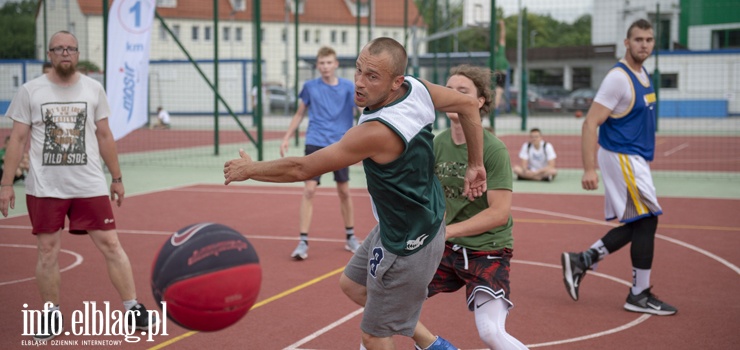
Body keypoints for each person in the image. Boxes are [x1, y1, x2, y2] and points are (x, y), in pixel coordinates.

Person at [224, 37, 487, 349]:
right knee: (352, 285)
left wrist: (251, 170)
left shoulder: (376, 132)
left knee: (374, 335)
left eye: (372, 77)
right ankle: (433, 344)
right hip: (409, 220)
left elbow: (302, 168)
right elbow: (468, 105)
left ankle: (423, 340)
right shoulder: (418, 90)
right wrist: (475, 164)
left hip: (407, 241)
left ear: (395, 82)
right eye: (359, 71)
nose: (360, 83)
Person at [0, 31, 155, 341]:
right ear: (50, 53)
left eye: (70, 48)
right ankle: (50, 314)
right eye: (59, 48)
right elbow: (17, 139)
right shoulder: (31, 91)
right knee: (47, 251)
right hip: (45, 188)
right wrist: (6, 184)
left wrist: (118, 178)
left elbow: (105, 136)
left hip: (89, 185)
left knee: (111, 244)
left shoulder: (93, 88)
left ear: (78, 53)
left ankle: (132, 307)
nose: (65, 53)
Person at [561, 19, 677, 316]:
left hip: (634, 157)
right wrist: (589, 169)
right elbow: (590, 123)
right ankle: (639, 294)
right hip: (621, 156)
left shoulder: (643, 72)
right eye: (638, 39)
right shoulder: (618, 78)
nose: (644, 44)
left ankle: (583, 260)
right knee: (648, 220)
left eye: (649, 39)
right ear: (627, 43)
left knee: (640, 222)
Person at [411, 65, 527, 350]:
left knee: (490, 332)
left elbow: (499, 214)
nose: (452, 95)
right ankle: (433, 345)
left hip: (487, 249)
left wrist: (447, 231)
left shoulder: (493, 149)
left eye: (462, 91)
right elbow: (431, 200)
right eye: (448, 89)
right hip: (445, 248)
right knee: (389, 299)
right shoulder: (436, 144)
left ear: (479, 102)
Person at [279, 46, 358, 260]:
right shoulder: (310, 87)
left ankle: (351, 236)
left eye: (329, 62)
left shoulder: (349, 88)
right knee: (309, 190)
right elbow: (299, 114)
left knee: (344, 191)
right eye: (321, 63)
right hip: (315, 142)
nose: (325, 67)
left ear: (336, 64)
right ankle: (303, 241)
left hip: (341, 145)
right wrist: (286, 137)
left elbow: (361, 112)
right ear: (317, 65)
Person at [493, 20, 509, 110]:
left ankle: (496, 104)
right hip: (495, 74)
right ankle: (495, 104)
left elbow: (502, 37)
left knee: (499, 90)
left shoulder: (500, 52)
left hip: (501, 73)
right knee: (497, 90)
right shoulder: (492, 57)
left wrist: (502, 26)